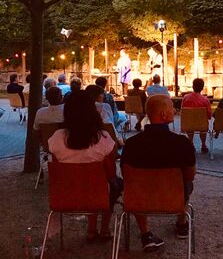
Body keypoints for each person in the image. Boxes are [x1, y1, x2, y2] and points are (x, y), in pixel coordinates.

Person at [121, 95, 195, 252]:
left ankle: (145, 234)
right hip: (172, 197)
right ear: (163, 114)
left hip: (139, 198)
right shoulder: (182, 143)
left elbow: (126, 176)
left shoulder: (131, 144)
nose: (174, 111)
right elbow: (190, 176)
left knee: (135, 185)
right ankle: (181, 223)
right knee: (186, 184)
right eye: (171, 108)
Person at [48, 90, 122, 242]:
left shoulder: (57, 138)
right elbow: (110, 174)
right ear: (92, 111)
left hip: (66, 194)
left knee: (92, 184)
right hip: (97, 194)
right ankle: (104, 228)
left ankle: (92, 229)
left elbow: (57, 171)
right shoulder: (102, 138)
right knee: (112, 184)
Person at [181, 78, 212, 153]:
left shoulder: (185, 98)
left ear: (193, 86)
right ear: (202, 88)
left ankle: (191, 144)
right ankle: (203, 145)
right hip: (201, 124)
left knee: (190, 123)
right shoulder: (205, 100)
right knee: (203, 126)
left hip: (188, 124)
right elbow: (209, 115)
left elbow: (182, 111)